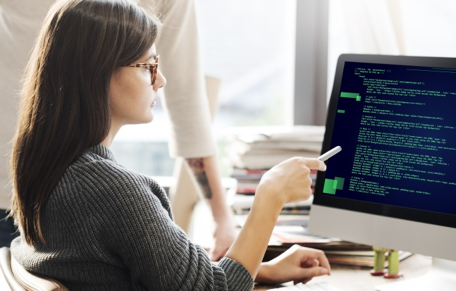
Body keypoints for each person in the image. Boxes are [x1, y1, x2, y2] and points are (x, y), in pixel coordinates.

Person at [9, 0, 331, 289]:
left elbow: (152, 270)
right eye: (147, 67)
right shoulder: (113, 193)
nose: (160, 80)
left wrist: (260, 269)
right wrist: (271, 194)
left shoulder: (48, 170)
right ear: (100, 73)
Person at [0, 0, 235, 260]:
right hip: (19, 191)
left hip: (50, 190)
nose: (159, 80)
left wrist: (220, 218)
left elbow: (187, 103)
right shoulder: (120, 195)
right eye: (147, 67)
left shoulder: (109, 189)